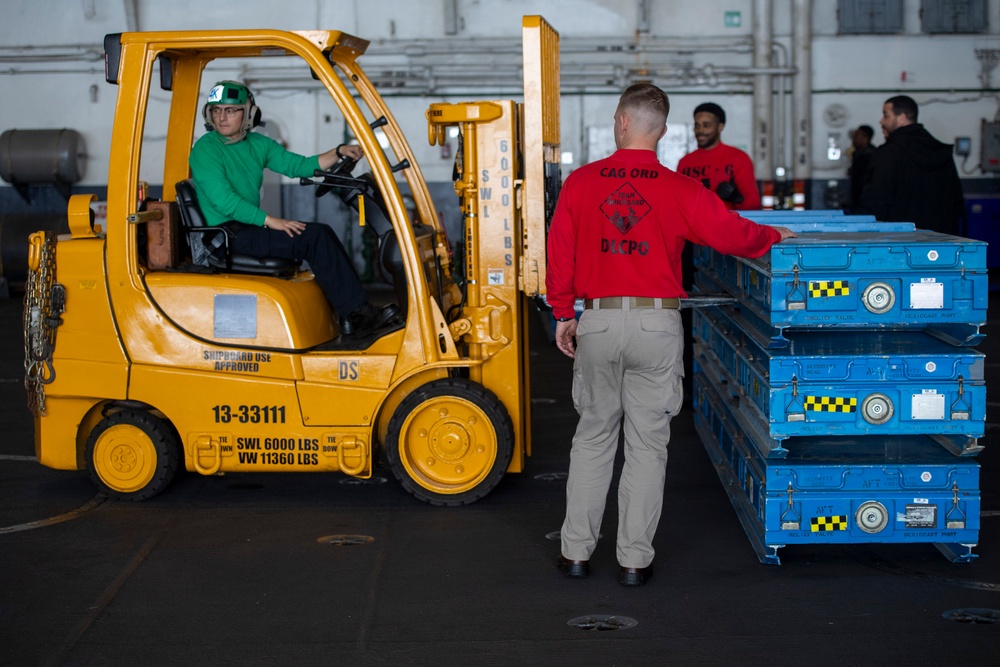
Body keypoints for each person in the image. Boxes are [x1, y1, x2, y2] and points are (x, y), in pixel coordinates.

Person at [546, 83, 794, 586]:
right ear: (661, 132)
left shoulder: (581, 183)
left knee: (593, 438)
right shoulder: (680, 188)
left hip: (596, 318)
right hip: (657, 324)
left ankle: (575, 553)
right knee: (646, 446)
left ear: (620, 123)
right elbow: (732, 234)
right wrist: (774, 237)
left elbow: (560, 254)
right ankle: (634, 561)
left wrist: (563, 313)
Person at [189, 80, 400, 337]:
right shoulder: (205, 149)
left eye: (231, 110)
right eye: (216, 110)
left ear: (249, 114)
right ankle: (358, 315)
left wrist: (339, 151)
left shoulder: (258, 144)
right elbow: (224, 201)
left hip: (248, 227)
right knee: (315, 237)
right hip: (226, 235)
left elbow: (299, 165)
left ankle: (351, 313)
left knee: (321, 234)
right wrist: (271, 221)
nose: (222, 117)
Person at [857, 95, 964, 236]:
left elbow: (874, 203)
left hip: (898, 245)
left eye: (886, 115)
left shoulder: (888, 154)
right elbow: (957, 204)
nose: (881, 121)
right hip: (938, 243)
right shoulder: (941, 153)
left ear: (901, 117)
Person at [677, 102, 762, 210]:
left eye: (706, 125)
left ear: (720, 127)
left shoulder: (739, 158)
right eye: (697, 125)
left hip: (727, 225)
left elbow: (754, 203)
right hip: (693, 226)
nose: (700, 131)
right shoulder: (685, 162)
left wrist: (737, 198)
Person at [848, 124, 875, 212]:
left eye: (856, 136)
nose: (853, 139)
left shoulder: (871, 156)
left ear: (865, 139)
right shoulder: (858, 154)